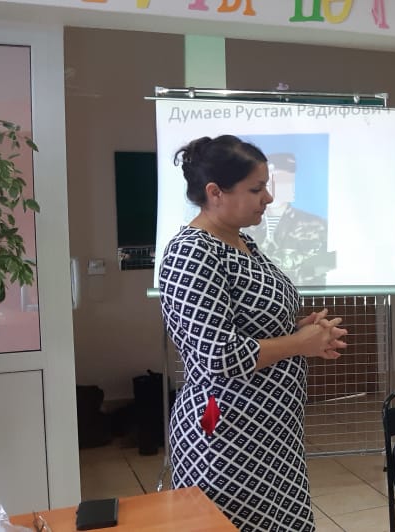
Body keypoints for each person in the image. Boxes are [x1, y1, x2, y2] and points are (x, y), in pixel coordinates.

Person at [158, 135, 348, 531]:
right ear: (215, 193)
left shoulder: (243, 242)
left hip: (273, 431)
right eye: (256, 189)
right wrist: (298, 343)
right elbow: (218, 354)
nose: (268, 198)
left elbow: (254, 324)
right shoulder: (192, 252)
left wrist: (304, 332)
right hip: (227, 437)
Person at [243, 152, 331, 286]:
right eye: (269, 183)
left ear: (291, 185)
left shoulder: (318, 225)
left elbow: (324, 272)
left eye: (282, 181)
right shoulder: (244, 226)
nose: (274, 188)